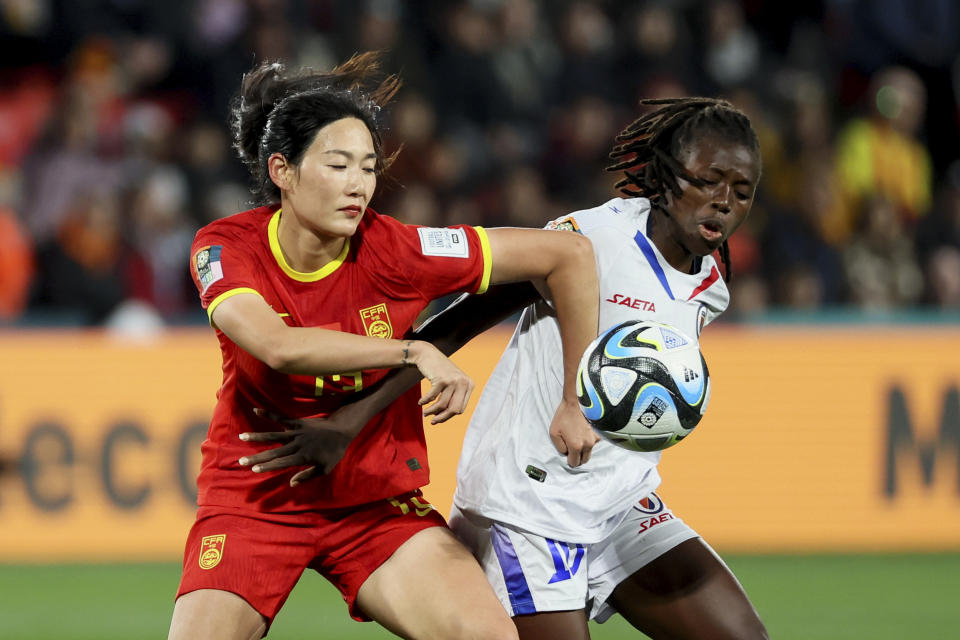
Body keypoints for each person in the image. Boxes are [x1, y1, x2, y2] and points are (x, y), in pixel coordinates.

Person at [244, 97, 768, 639]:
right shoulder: (592, 239)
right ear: (665, 176)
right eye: (709, 181)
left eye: (743, 191)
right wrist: (354, 418)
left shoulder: (711, 287)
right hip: (532, 509)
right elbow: (458, 322)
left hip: (619, 502)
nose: (724, 202)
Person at [167, 52, 600, 640]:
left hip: (372, 503)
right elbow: (277, 346)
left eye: (368, 168)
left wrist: (575, 400)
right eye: (339, 165)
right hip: (255, 497)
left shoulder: (397, 249)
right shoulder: (225, 246)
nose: (359, 185)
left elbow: (567, 254)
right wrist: (414, 352)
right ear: (282, 172)